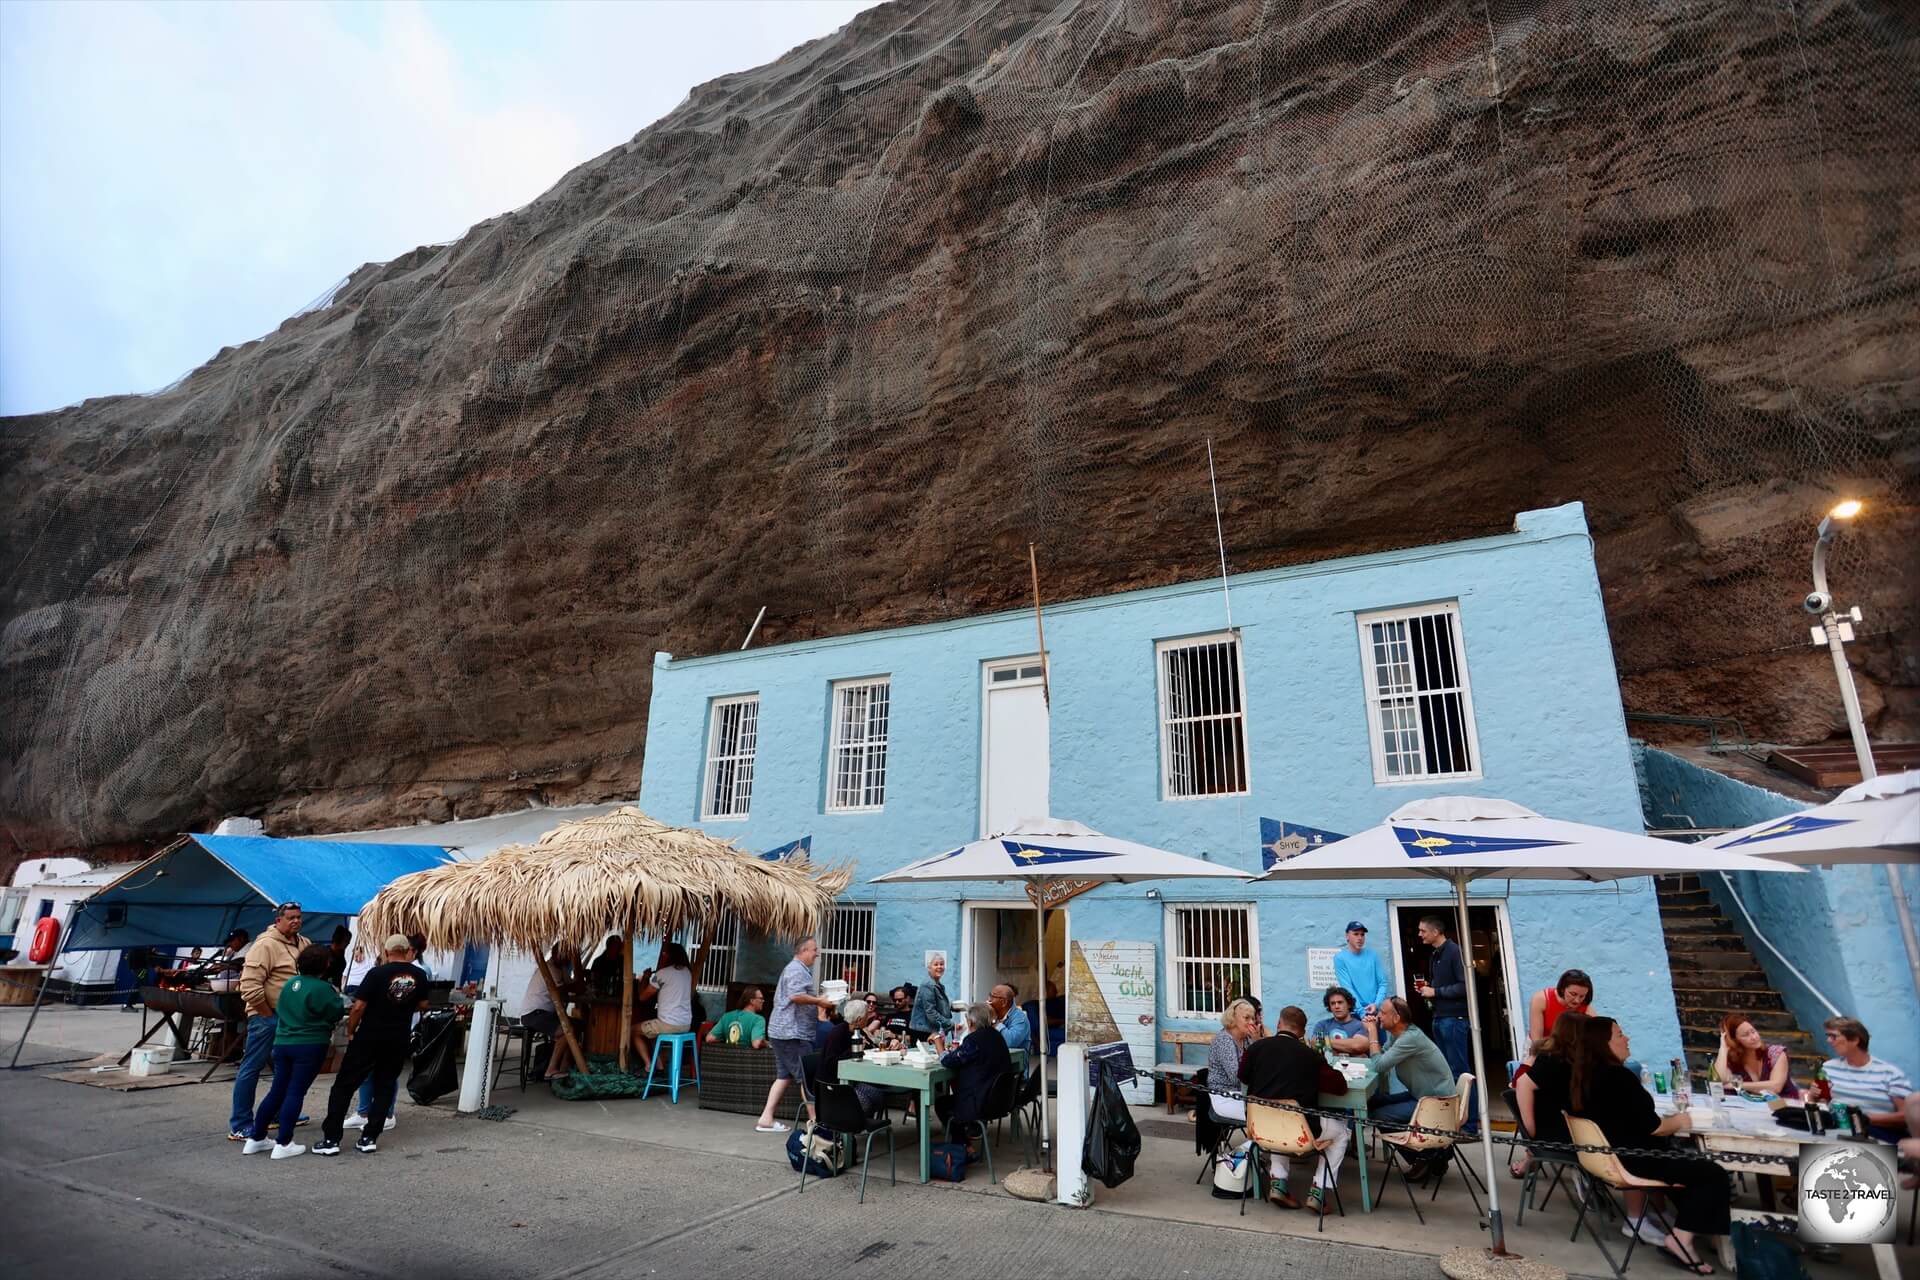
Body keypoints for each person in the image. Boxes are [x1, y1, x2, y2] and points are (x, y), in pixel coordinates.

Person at [1568, 1016, 1729, 1274]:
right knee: (1714, 1174)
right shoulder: (1619, 1077)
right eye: (1620, 1035)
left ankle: (1694, 1226)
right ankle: (1681, 1241)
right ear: (1603, 1044)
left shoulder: (1585, 1077)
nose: (1626, 1038)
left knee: (1693, 1170)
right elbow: (1654, 1127)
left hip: (1616, 1156)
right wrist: (1681, 1120)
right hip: (1637, 1158)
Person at [314, 934, 430, 1157]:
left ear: (386, 952)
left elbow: (358, 1006)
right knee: (385, 1085)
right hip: (398, 1037)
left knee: (344, 1086)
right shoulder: (419, 974)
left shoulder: (377, 973)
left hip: (369, 1035)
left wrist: (350, 1030)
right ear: (407, 951)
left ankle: (331, 1138)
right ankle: (369, 1137)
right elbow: (423, 1003)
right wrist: (403, 1009)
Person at [1239, 1005, 1351, 1215]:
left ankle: (1278, 1184)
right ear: (1301, 1032)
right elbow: (1339, 1087)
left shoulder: (1256, 1048)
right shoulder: (1310, 1056)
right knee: (1342, 1134)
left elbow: (1243, 1076)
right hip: (1301, 1128)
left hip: (1259, 1127)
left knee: (1280, 1124)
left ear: (1279, 1024)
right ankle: (1318, 1191)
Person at [240, 943, 344, 1160]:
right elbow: (335, 1011)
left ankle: (257, 1138)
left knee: (277, 1090)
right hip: (310, 1043)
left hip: (282, 1042)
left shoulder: (289, 983)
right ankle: (284, 1141)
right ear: (325, 965)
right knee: (296, 1092)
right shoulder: (322, 988)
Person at [227, 902, 312, 1142]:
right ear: (278, 921)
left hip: (292, 1017)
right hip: (268, 1016)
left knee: (284, 1069)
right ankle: (241, 1123)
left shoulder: (304, 943)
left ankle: (277, 1113)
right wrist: (266, 1014)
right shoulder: (264, 945)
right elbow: (250, 986)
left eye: (298, 917)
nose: (296, 921)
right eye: (290, 918)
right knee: (251, 1067)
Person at [1360, 994, 1456, 1174]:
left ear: (1396, 1018)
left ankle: (1424, 1158)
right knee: (1373, 1102)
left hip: (1435, 1103)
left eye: (1382, 1012)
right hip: (1421, 1095)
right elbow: (1383, 1055)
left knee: (1380, 1115)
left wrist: (1372, 1032)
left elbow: (1379, 1065)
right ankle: (1432, 1151)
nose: (1378, 1016)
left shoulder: (1409, 1039)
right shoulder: (1398, 1035)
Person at [755, 936, 834, 1133]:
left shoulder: (796, 969)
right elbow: (796, 996)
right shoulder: (797, 970)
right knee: (806, 1078)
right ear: (804, 950)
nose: (817, 953)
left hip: (784, 1031)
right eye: (814, 949)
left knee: (784, 1075)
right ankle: (815, 1124)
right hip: (792, 1033)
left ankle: (766, 1118)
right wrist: (820, 1002)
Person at [935, 1003, 1013, 1158]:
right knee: (957, 1092)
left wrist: (939, 1045)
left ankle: (963, 1144)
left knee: (942, 1104)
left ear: (970, 1022)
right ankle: (967, 1137)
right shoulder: (997, 1036)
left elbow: (948, 1062)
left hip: (982, 1102)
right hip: (1002, 1100)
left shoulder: (973, 1040)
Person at [1821, 1016, 1913, 1142]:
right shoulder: (1829, 1068)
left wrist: (1865, 1118)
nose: (1828, 1040)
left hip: (1878, 1133)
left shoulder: (1889, 1074)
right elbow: (1822, 1101)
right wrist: (1814, 1096)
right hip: (1837, 1131)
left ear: (1854, 1040)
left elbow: (1907, 1117)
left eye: (1833, 1036)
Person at [1414, 914, 1472, 1082]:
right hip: (1440, 1017)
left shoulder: (1455, 951)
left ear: (1436, 931)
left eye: (1423, 931)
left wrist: (1435, 992)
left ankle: (1471, 1109)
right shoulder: (1435, 954)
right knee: (1447, 1072)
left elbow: (1465, 986)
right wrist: (1427, 989)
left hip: (1454, 1019)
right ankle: (1454, 1109)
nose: (1420, 934)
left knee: (1460, 1073)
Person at [522, 944, 586, 1081]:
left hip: (546, 1014)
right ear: (557, 954)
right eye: (566, 956)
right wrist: (577, 981)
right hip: (534, 1014)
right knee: (567, 1030)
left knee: (578, 1025)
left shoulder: (561, 968)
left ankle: (565, 1066)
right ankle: (551, 1070)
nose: (567, 959)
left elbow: (577, 988)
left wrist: (577, 976)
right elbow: (563, 990)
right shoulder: (549, 968)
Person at [820, 997, 888, 1118]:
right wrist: (853, 1049)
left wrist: (888, 1048)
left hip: (855, 1078)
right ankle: (846, 1129)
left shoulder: (859, 1031)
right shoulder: (838, 1033)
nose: (868, 1018)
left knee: (879, 1094)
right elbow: (830, 1064)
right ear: (859, 1019)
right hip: (834, 1084)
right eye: (867, 1016)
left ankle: (859, 1125)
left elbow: (872, 1047)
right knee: (864, 1101)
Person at [633, 941, 695, 1072]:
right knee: (651, 1029)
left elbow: (643, 997)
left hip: (668, 1024)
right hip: (685, 1024)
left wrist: (645, 978)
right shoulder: (687, 973)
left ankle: (648, 1065)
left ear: (669, 956)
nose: (662, 956)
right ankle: (659, 1064)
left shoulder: (662, 974)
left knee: (632, 1030)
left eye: (664, 954)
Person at [1713, 1013, 1800, 1099]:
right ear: (1735, 1041)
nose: (1754, 1037)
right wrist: (1723, 1048)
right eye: (1746, 1035)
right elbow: (1719, 1081)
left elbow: (1775, 1087)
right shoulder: (1731, 1060)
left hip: (1784, 1106)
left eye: (1753, 1031)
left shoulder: (1775, 1053)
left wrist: (1737, 1084)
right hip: (1752, 1108)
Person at [1207, 998, 1262, 1123]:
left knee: (1270, 1111)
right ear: (1233, 1018)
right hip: (1224, 1096)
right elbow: (1237, 1078)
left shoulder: (1247, 1039)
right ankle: (1254, 1143)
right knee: (1262, 1117)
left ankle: (1255, 1143)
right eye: (1246, 1018)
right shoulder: (1224, 1040)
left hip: (1243, 1094)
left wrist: (1257, 1043)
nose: (1251, 1022)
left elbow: (1261, 1067)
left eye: (1253, 1018)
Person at [1333, 921, 1390, 1016]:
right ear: (1347, 936)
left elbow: (1382, 983)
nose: (1360, 938)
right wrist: (1362, 1012)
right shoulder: (1340, 958)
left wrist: (1376, 1004)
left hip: (1376, 1010)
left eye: (1362, 935)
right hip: (1356, 1012)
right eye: (1356, 934)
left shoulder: (1373, 955)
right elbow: (1347, 988)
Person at [1527, 969, 1594, 1041]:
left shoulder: (1584, 1005)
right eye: (1573, 994)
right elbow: (1536, 1040)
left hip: (1567, 1047)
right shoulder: (1541, 999)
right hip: (1542, 1045)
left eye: (1582, 996)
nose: (1577, 1000)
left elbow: (1601, 1031)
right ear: (1562, 989)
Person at [908, 953, 952, 1044]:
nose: (939, 967)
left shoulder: (938, 985)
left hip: (931, 1030)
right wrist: (950, 1024)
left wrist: (954, 1006)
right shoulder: (928, 985)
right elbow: (931, 1013)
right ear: (929, 968)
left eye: (942, 964)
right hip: (923, 1032)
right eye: (936, 964)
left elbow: (939, 1005)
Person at [1311, 987, 1369, 1054]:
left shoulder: (1359, 1025)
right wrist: (1349, 1045)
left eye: (1340, 1002)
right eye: (1333, 1003)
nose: (1336, 1006)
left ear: (1349, 1004)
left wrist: (1324, 1041)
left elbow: (1358, 1046)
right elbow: (1314, 1044)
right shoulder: (1322, 1025)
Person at [987, 982, 1030, 1052]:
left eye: (992, 996)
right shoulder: (990, 1013)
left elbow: (1010, 1042)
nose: (989, 1000)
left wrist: (995, 1022)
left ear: (1004, 1002)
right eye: (989, 995)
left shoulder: (1020, 1018)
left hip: (1013, 1061)